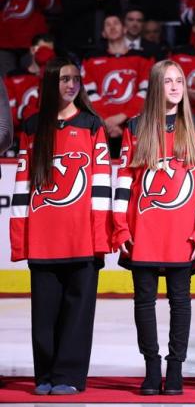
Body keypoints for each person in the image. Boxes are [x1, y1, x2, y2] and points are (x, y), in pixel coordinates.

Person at [10, 56, 112, 395]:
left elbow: (100, 186)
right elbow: (22, 185)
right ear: (50, 82)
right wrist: (20, 238)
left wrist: (100, 237)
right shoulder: (31, 126)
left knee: (78, 311)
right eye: (64, 79)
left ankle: (68, 375)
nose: (71, 85)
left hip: (81, 238)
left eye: (75, 79)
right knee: (44, 312)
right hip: (43, 237)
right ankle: (46, 375)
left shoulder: (92, 124)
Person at [113, 60, 195, 396]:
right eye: (168, 81)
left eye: (179, 80)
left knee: (180, 301)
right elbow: (124, 181)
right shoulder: (136, 126)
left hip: (183, 233)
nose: (174, 87)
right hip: (143, 231)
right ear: (156, 86)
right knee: (144, 301)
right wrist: (121, 228)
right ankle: (151, 368)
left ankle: (176, 369)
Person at [81, 15, 152, 157]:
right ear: (103, 33)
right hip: (103, 126)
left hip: (136, 126)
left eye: (116, 23)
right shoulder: (91, 59)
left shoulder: (143, 57)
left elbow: (146, 92)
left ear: (125, 29)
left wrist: (122, 117)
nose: (112, 27)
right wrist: (107, 120)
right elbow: (88, 93)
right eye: (108, 25)